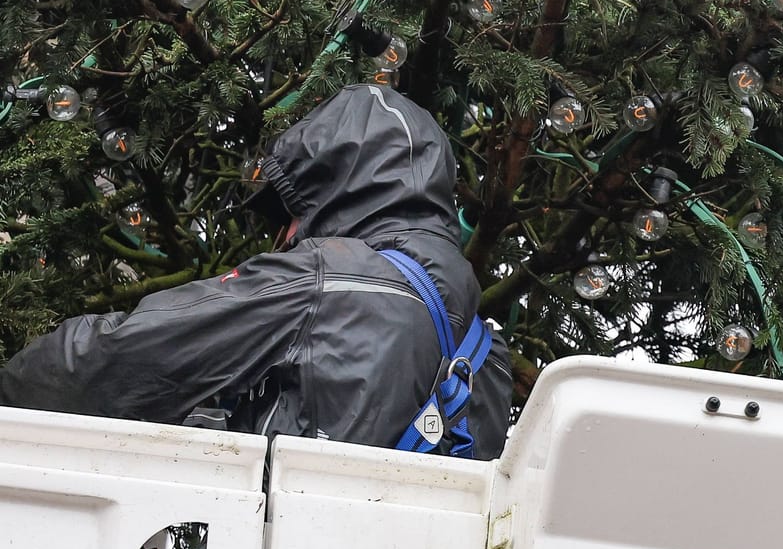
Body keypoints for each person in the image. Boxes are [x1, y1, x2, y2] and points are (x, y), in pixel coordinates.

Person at [0, 83, 511, 458]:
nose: (286, 235)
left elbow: (120, 358)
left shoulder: (326, 278)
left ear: (336, 189)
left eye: (292, 212)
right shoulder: (487, 352)